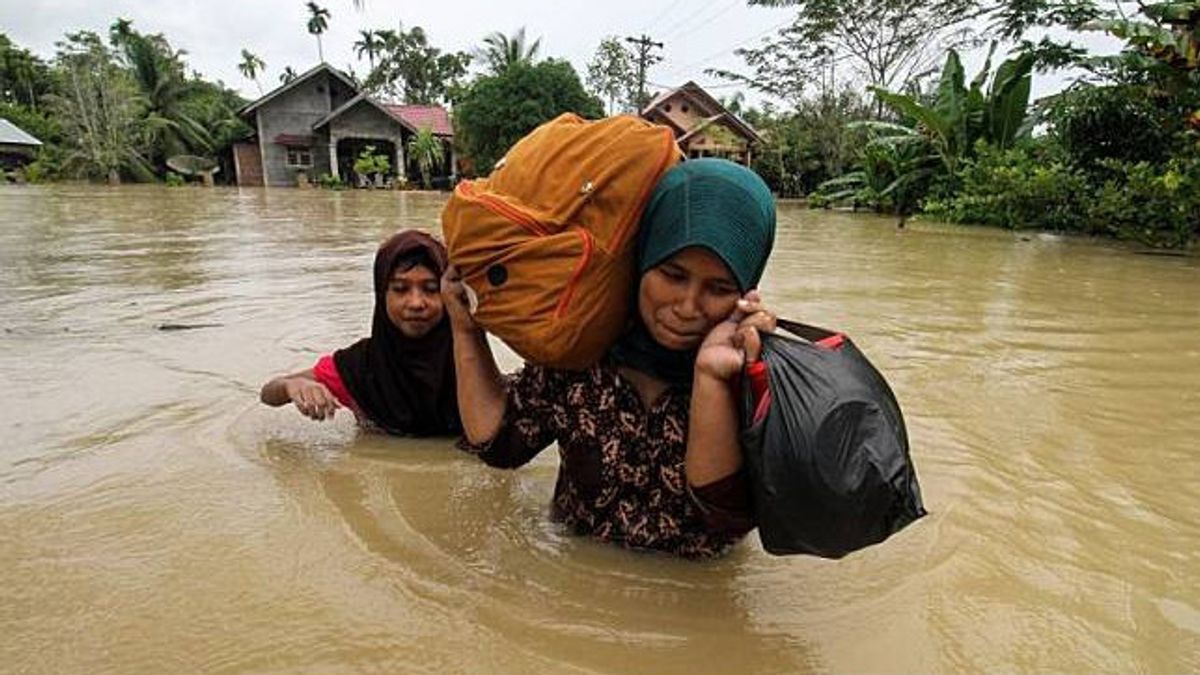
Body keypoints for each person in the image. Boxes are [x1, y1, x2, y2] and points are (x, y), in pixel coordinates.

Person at [442, 159, 777, 558]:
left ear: (747, 288)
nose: (688, 306)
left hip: (694, 597)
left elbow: (726, 516)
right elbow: (500, 447)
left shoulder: (754, 372)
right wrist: (465, 328)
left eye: (719, 287)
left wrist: (711, 377)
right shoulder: (584, 350)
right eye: (672, 275)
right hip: (575, 587)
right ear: (641, 258)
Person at [260, 230, 461, 437]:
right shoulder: (358, 367)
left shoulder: (470, 361)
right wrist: (291, 386)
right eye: (400, 289)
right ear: (381, 295)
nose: (416, 303)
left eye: (431, 288)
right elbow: (268, 394)